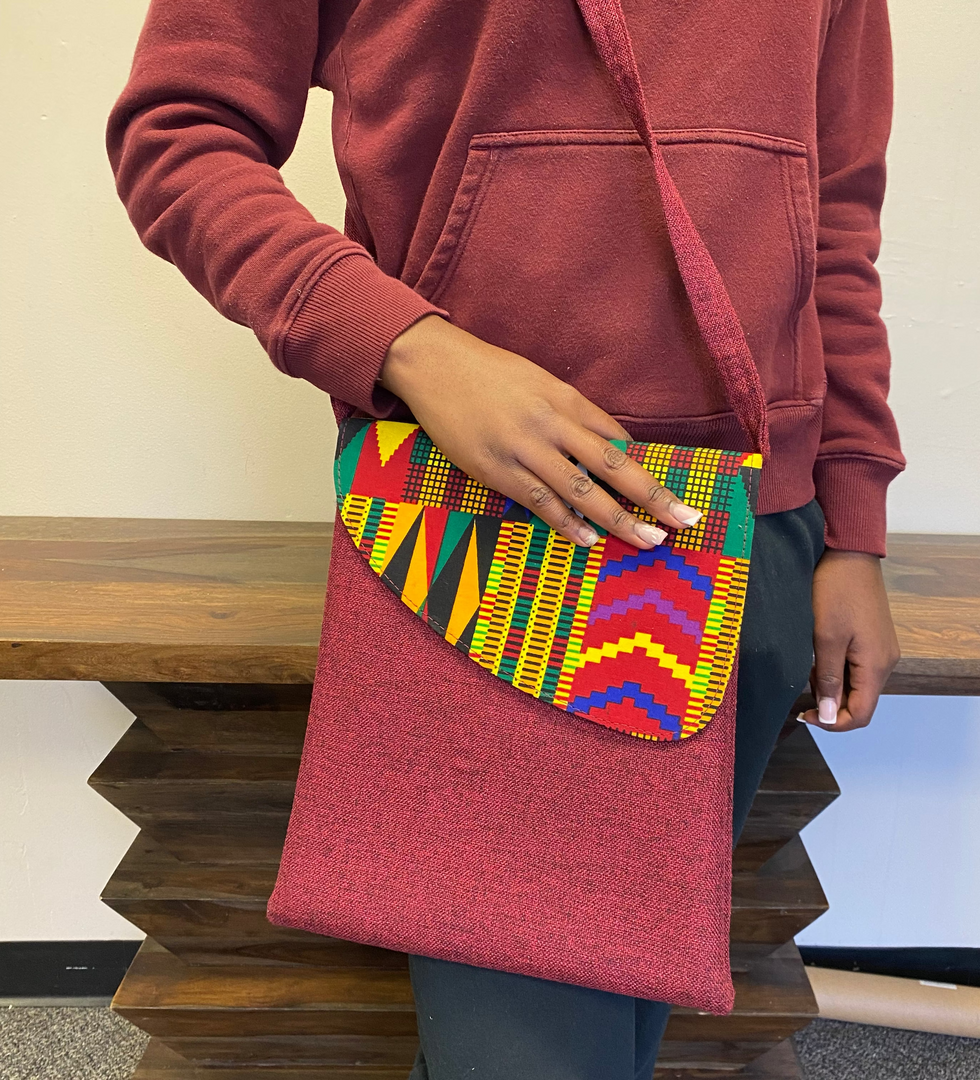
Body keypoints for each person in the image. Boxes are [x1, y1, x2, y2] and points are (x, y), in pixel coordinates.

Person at [107, 1, 904, 1076]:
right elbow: (179, 133)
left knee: (620, 1026)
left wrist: (853, 521)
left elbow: (836, 220)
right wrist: (411, 350)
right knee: (531, 1053)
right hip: (494, 539)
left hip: (753, 532)